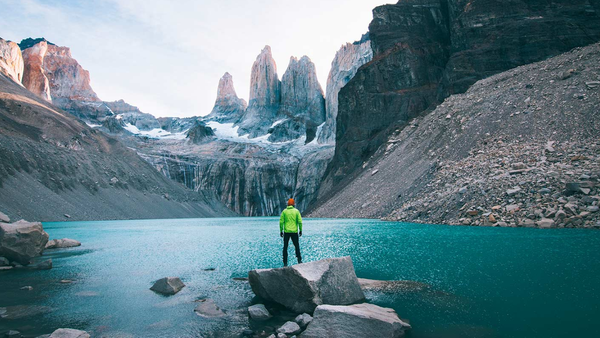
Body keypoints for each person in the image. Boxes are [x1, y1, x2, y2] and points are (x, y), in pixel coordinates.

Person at [280, 198, 302, 266]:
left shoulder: (284, 211)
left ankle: (285, 262)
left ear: (288, 204)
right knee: (296, 246)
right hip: (294, 232)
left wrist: (281, 231)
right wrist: (300, 230)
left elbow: (281, 222)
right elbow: (300, 222)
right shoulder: (296, 211)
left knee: (285, 247)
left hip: (286, 232)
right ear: (293, 204)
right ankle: (299, 260)